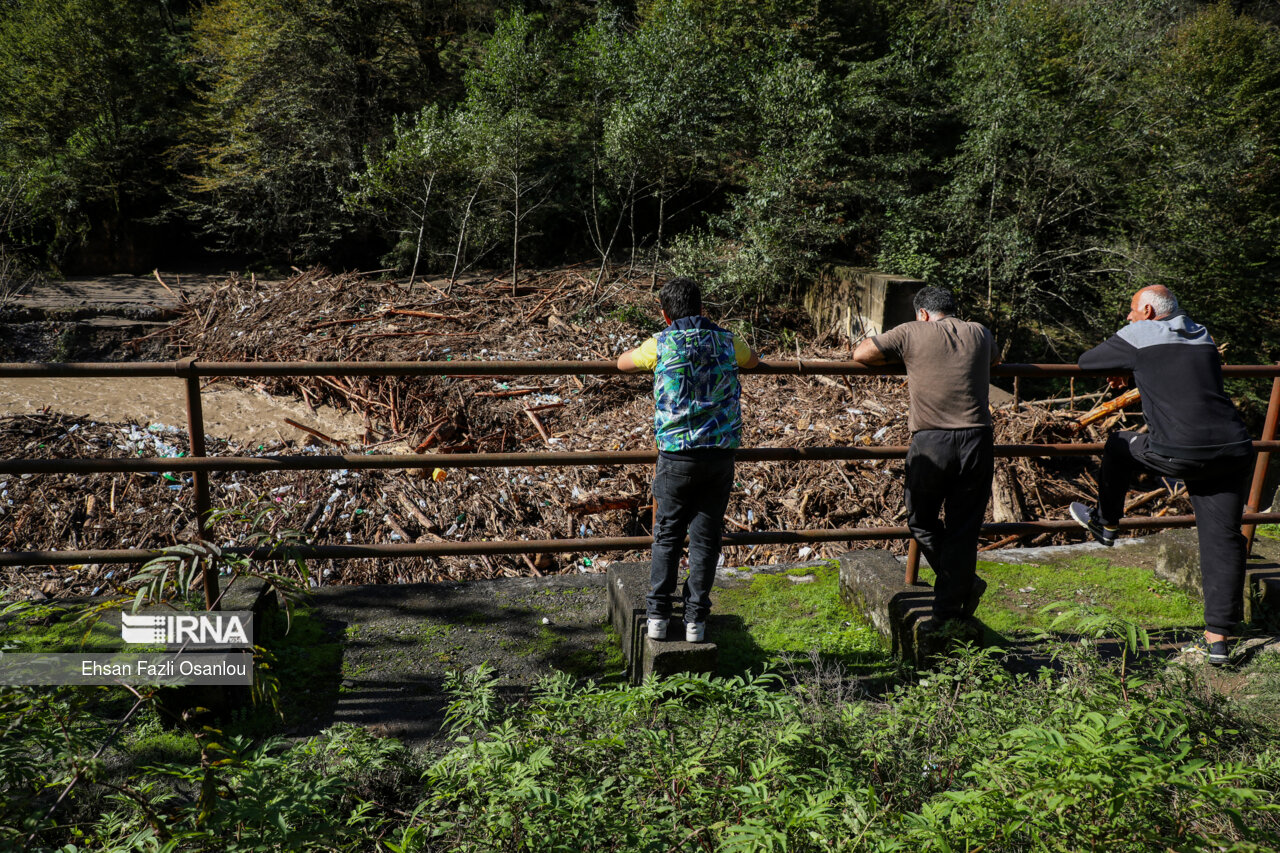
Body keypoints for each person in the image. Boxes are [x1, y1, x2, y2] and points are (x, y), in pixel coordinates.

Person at [1069, 285, 1254, 665]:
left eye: (1132, 311)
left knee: (1119, 444)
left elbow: (1087, 362)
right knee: (1224, 539)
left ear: (1149, 311)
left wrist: (1125, 363)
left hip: (1179, 451)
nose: (1128, 317)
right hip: (1231, 447)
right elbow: (1177, 374)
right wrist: (1134, 369)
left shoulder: (1140, 334)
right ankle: (1217, 641)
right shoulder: (1201, 334)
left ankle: (1105, 522)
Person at [617, 277, 759, 643]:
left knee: (666, 536)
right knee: (706, 538)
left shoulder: (661, 343)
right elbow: (753, 361)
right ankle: (696, 621)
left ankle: (658, 619)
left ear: (665, 314)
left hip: (676, 456)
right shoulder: (728, 341)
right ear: (701, 308)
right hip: (719, 454)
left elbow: (623, 363)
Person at [852, 286, 996, 626]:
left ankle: (957, 593)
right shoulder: (979, 331)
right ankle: (955, 597)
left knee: (920, 518)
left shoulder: (910, 332)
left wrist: (904, 356)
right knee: (964, 528)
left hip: (932, 441)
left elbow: (862, 354)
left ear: (923, 314)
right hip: (978, 438)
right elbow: (996, 360)